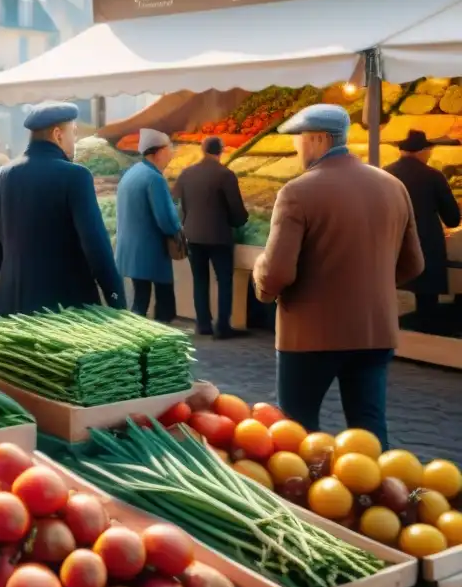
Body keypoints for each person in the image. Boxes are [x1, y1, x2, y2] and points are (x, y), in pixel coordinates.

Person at [253, 104, 424, 449]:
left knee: (297, 427)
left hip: (310, 334)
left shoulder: (297, 192)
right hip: (374, 330)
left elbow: (277, 272)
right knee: (369, 424)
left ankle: (305, 500)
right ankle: (379, 496)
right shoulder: (393, 186)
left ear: (316, 139)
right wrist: (369, 286)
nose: (296, 148)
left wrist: (261, 278)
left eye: (298, 140)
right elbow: (413, 264)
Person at [0, 101, 123, 315]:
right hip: (64, 309)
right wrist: (116, 300)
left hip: (11, 305)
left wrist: (15, 276)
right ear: (58, 134)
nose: (76, 141)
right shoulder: (75, 176)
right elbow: (96, 247)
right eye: (74, 133)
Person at [385, 130, 462, 333]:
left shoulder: (383, 174)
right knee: (427, 311)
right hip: (426, 248)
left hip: (391, 249)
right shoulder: (433, 176)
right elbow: (453, 219)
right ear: (423, 151)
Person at [173, 135, 250, 338]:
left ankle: (203, 325)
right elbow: (237, 211)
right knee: (224, 280)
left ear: (203, 150)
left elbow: (178, 201)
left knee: (200, 280)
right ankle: (222, 326)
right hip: (219, 237)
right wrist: (240, 223)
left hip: (192, 236)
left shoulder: (187, 173)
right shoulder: (226, 175)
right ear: (221, 151)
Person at [116, 129, 183, 322]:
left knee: (140, 298)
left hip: (131, 250)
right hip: (150, 250)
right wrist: (178, 230)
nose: (171, 154)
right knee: (163, 302)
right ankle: (159, 338)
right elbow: (166, 219)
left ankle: (138, 336)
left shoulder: (131, 174)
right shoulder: (154, 179)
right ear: (157, 152)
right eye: (168, 150)